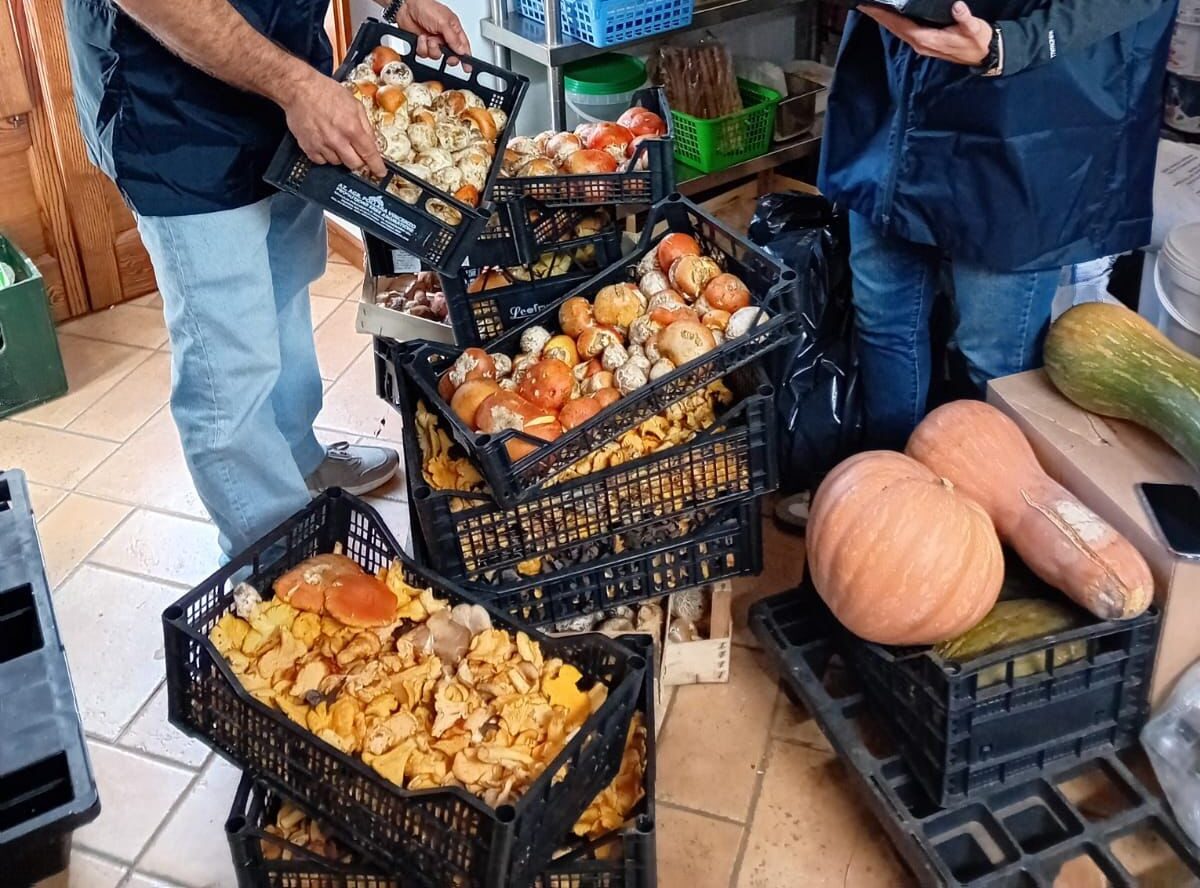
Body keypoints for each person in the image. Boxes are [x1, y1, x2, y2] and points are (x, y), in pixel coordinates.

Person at [64, 0, 470, 556]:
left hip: (281, 94)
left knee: (284, 291)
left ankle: (299, 460)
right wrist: (296, 88)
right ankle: (276, 554)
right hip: (175, 118)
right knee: (229, 359)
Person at [819, 0, 1175, 450]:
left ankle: (983, 501)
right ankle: (889, 480)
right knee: (883, 318)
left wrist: (1016, 44)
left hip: (1030, 108)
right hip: (899, 91)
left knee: (992, 356)